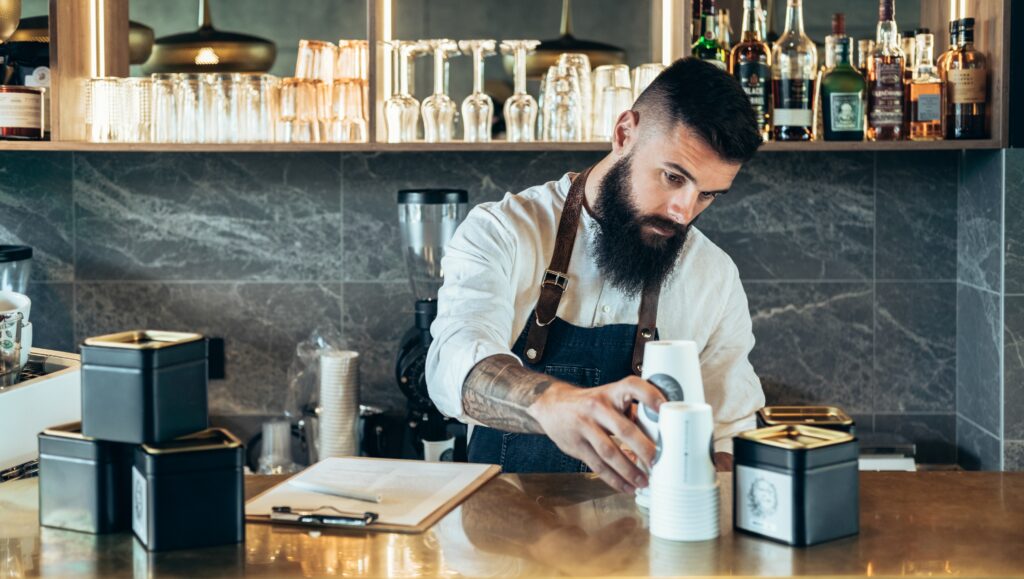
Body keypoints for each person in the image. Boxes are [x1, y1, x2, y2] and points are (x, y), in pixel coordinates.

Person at [426, 58, 765, 493]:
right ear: (624, 133)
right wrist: (551, 404)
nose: (684, 212)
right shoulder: (505, 231)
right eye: (673, 177)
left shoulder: (712, 275)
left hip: (641, 549)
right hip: (501, 546)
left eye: (708, 195)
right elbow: (454, 365)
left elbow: (732, 432)